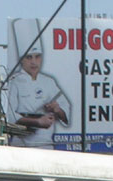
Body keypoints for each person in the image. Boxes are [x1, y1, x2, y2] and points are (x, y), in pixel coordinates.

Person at [8, 20, 71, 149]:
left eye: (37, 57)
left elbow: (66, 112)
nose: (34, 62)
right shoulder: (14, 82)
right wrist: (37, 122)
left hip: (45, 146)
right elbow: (10, 115)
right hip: (21, 146)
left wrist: (57, 109)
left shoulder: (49, 82)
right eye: (29, 57)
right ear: (21, 60)